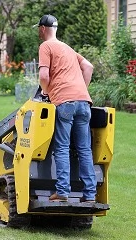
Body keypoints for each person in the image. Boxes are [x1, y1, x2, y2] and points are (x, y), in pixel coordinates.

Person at [34, 14, 96, 203]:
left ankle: (62, 191)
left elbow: (44, 76)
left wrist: (45, 93)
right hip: (84, 103)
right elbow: (88, 67)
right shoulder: (67, 48)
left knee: (62, 148)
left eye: (39, 28)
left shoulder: (46, 46)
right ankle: (90, 195)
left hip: (65, 103)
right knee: (84, 149)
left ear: (43, 29)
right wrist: (82, 89)